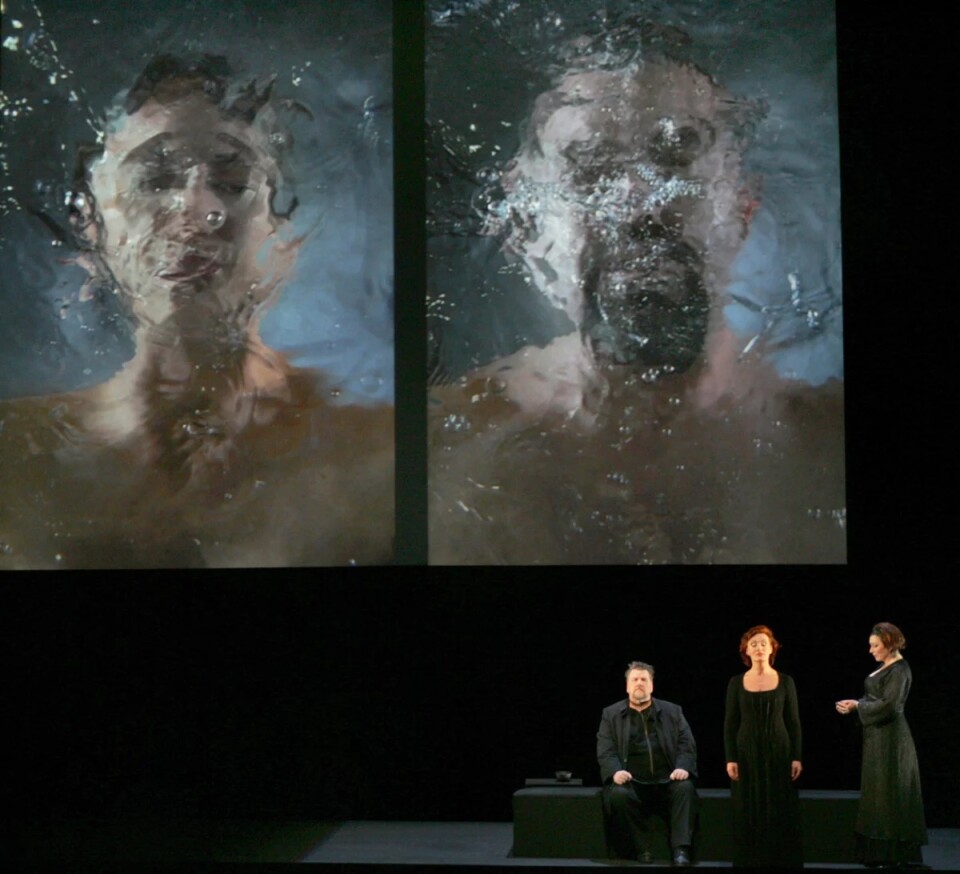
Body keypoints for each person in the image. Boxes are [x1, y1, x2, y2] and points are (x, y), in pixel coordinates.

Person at [426, 22, 846, 565]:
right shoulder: (440, 457)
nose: (641, 198)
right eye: (588, 162)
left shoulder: (828, 451)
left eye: (679, 152)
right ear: (524, 223)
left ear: (742, 206)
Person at [0, 55, 394, 568]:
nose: (196, 211)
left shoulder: (381, 458)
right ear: (92, 223)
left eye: (232, 184)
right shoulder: (13, 458)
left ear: (283, 232)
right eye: (155, 179)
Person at [835, 622, 927, 868]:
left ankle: (893, 854)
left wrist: (859, 707)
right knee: (878, 793)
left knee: (890, 793)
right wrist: (856, 703)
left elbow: (891, 705)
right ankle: (877, 853)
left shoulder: (899, 670)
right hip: (877, 737)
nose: (871, 650)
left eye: (875, 645)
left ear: (888, 643)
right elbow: (877, 698)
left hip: (892, 740)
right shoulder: (884, 668)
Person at [597, 661, 698, 866]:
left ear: (652, 685)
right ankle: (641, 848)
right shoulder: (611, 714)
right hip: (633, 783)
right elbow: (605, 749)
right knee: (617, 794)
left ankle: (681, 850)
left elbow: (687, 743)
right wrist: (615, 772)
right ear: (627, 686)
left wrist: (682, 767)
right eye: (635, 679)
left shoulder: (673, 711)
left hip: (668, 780)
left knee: (686, 788)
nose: (639, 683)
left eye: (644, 679)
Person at [724, 625, 803, 868]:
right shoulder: (736, 682)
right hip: (747, 753)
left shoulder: (786, 681)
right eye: (754, 643)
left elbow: (793, 722)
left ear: (772, 648)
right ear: (746, 650)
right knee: (747, 807)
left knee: (779, 806)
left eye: (763, 643)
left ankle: (780, 861)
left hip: (779, 751)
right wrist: (731, 758)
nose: (759, 647)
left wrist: (796, 757)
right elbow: (730, 723)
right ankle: (750, 861)